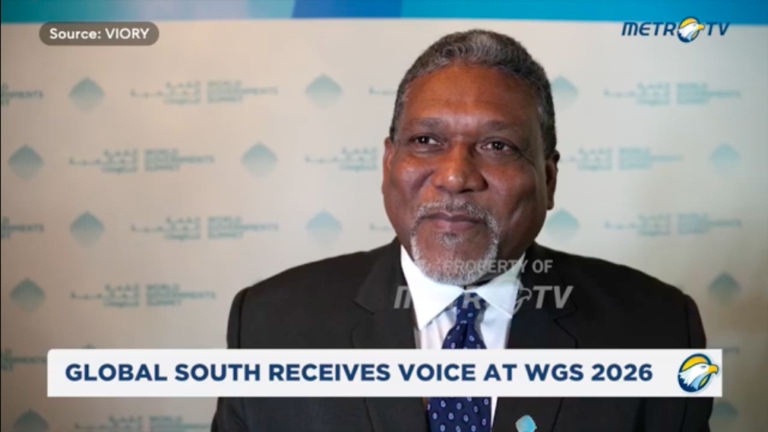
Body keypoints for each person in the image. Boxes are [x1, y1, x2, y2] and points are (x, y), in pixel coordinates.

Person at [212, 29, 712, 431]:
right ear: (388, 164)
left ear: (549, 179)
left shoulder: (660, 330)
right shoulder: (268, 326)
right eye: (426, 140)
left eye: (497, 146)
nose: (454, 176)